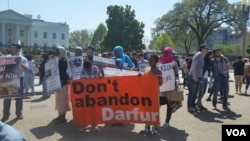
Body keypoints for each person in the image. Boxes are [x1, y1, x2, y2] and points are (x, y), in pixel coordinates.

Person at [1, 43, 29, 122]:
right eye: (11, 48)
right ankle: (5, 115)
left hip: (19, 79)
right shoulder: (7, 57)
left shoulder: (23, 58)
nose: (11, 49)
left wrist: (20, 63)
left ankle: (19, 113)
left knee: (19, 98)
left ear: (18, 49)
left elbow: (26, 70)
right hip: (8, 79)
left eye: (13, 48)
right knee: (7, 99)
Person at [140, 54, 162, 136]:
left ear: (156, 62)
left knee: (154, 111)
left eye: (151, 60)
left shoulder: (158, 71)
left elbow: (160, 83)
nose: (149, 61)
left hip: (154, 95)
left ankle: (154, 128)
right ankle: (147, 127)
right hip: (146, 94)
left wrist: (159, 79)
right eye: (149, 60)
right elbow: (143, 81)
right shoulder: (147, 69)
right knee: (146, 110)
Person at [158, 47, 179, 128]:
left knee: (169, 104)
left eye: (167, 52)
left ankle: (167, 121)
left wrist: (174, 71)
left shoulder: (174, 63)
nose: (165, 54)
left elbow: (177, 75)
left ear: (170, 53)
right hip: (161, 87)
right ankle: (156, 120)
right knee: (158, 103)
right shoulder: (160, 62)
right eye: (164, 52)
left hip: (170, 87)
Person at [78, 60, 101, 132]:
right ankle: (84, 125)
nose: (87, 70)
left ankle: (94, 125)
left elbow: (99, 79)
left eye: (88, 69)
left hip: (94, 93)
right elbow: (81, 81)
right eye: (86, 69)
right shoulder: (82, 70)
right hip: (85, 94)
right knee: (84, 110)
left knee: (93, 110)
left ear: (91, 66)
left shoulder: (95, 68)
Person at [52, 46, 71, 124]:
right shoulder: (59, 60)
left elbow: (64, 73)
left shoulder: (63, 61)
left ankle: (62, 117)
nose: (56, 52)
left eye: (58, 51)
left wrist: (61, 82)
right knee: (59, 100)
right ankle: (60, 115)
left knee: (62, 100)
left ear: (62, 52)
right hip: (59, 83)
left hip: (62, 83)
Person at [187, 44, 208, 113]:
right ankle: (189, 106)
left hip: (198, 76)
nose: (207, 49)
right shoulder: (198, 55)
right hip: (193, 76)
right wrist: (194, 75)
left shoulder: (202, 56)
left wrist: (200, 75)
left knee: (195, 92)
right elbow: (194, 66)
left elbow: (200, 67)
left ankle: (193, 106)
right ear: (202, 49)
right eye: (206, 48)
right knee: (192, 92)